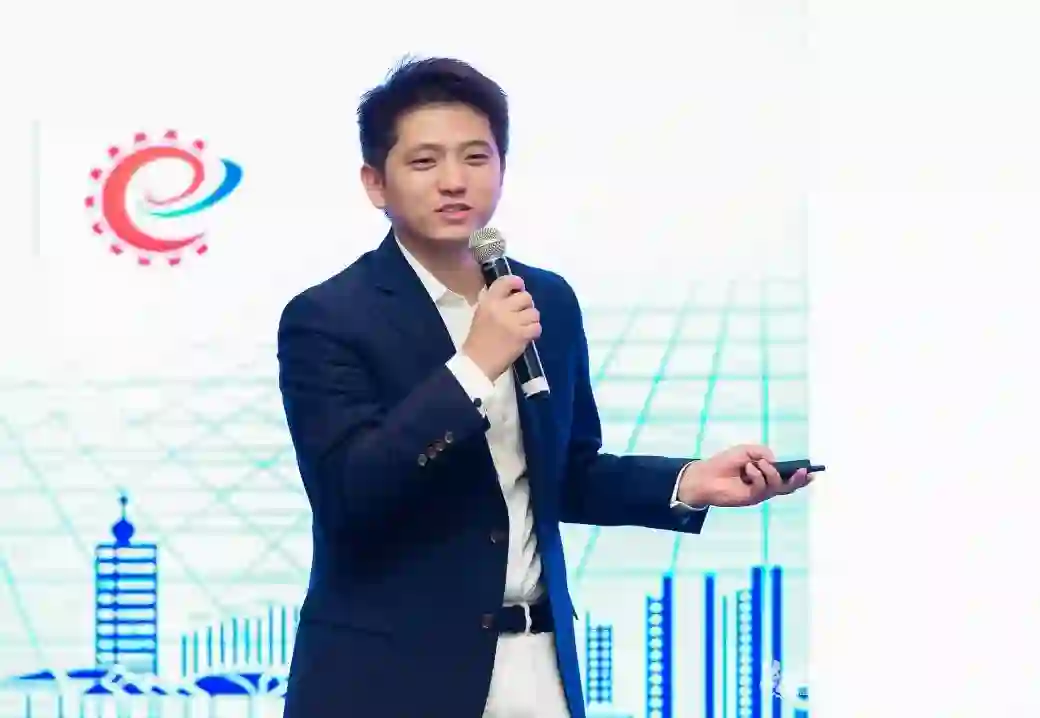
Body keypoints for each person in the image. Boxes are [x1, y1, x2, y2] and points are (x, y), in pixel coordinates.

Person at [276, 56, 814, 718]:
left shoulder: (543, 300)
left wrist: (689, 482)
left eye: (476, 157)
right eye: (424, 162)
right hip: (390, 678)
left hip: (539, 664)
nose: (454, 180)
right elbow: (349, 494)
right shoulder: (329, 317)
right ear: (375, 183)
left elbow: (567, 475)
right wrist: (473, 365)